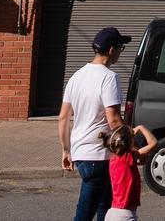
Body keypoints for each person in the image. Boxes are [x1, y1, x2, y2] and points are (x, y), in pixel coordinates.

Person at [60, 27, 130, 221]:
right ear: (111, 50)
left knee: (104, 207)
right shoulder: (109, 77)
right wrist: (131, 141)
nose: (120, 52)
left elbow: (63, 117)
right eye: (121, 48)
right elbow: (113, 119)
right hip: (97, 156)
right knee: (85, 214)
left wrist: (66, 150)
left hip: (81, 153)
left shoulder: (76, 76)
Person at [101, 123, 157, 221]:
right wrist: (141, 127)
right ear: (130, 143)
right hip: (125, 215)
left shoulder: (114, 159)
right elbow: (153, 143)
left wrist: (129, 135)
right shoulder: (128, 158)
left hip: (112, 212)